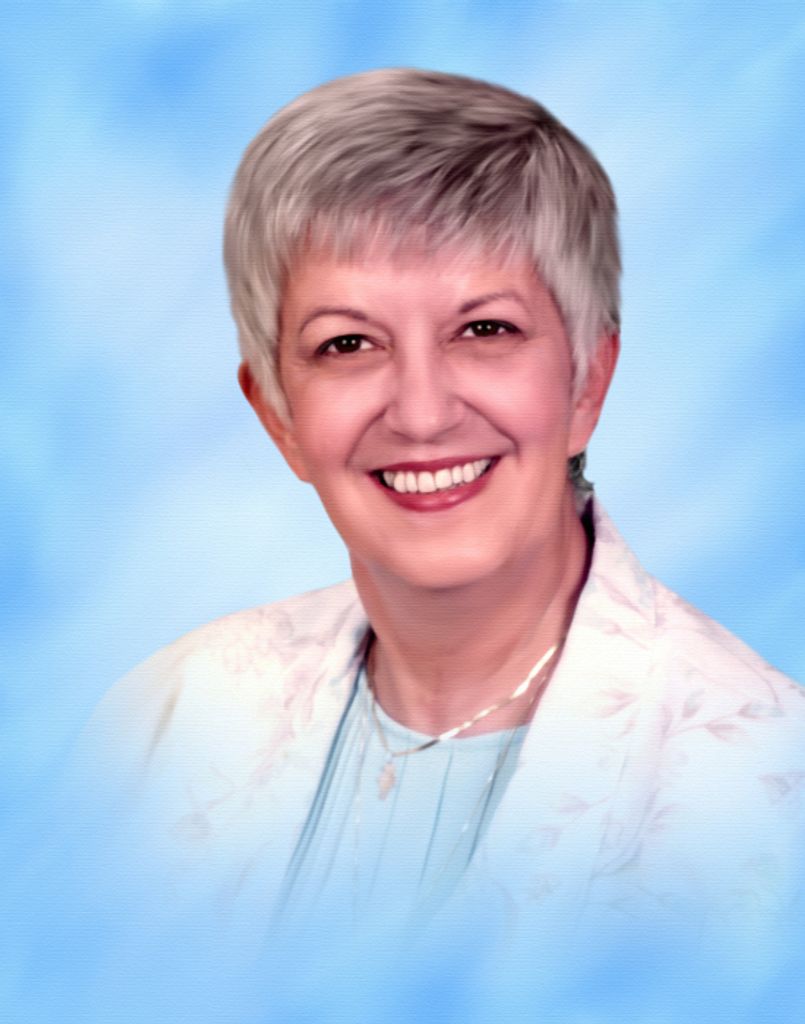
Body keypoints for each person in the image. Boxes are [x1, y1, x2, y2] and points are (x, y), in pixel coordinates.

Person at [78, 68, 804, 1014]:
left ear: (586, 383)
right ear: (278, 415)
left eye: (484, 329)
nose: (420, 414)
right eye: (348, 344)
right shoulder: (160, 724)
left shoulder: (771, 790)